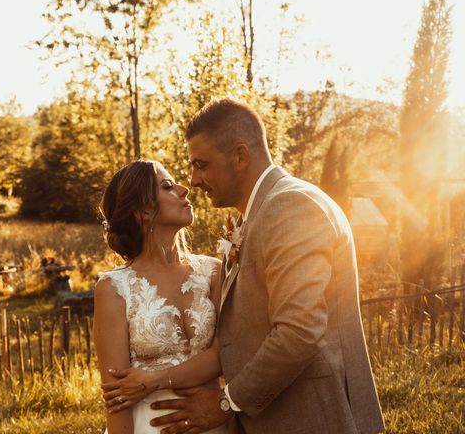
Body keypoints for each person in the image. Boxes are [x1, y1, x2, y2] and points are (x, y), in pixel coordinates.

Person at [150, 98, 385, 433]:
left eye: (201, 165)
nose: (194, 179)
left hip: (311, 418)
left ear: (240, 156)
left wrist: (225, 403)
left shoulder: (290, 206)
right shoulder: (263, 209)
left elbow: (299, 331)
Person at [94, 160, 229, 434]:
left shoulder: (214, 271)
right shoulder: (114, 287)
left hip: (213, 423)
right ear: (143, 210)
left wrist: (154, 379)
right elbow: (116, 396)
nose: (184, 189)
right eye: (167, 186)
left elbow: (223, 354)